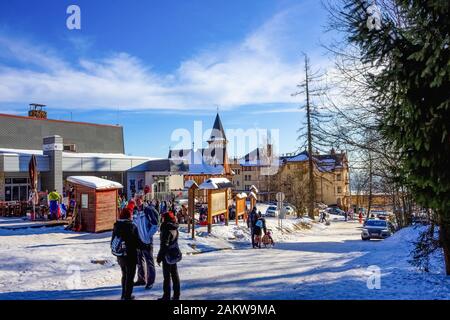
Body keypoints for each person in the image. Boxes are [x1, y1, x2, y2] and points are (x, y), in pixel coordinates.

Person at [111, 207, 139, 300]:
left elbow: (113, 240)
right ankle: (128, 296)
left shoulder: (116, 225)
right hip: (131, 255)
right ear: (129, 215)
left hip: (120, 255)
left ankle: (123, 294)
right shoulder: (132, 226)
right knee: (130, 277)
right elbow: (137, 242)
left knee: (124, 275)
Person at [133, 197, 159, 290]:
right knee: (139, 260)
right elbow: (135, 224)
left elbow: (155, 225)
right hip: (139, 241)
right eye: (136, 200)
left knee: (149, 261)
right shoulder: (136, 211)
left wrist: (148, 236)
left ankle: (150, 281)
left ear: (142, 200)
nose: (137, 202)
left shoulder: (148, 210)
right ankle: (141, 279)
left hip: (147, 241)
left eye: (139, 200)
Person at [157, 210, 181, 300]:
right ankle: (176, 295)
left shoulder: (166, 229)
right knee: (175, 275)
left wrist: (159, 257)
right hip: (174, 253)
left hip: (167, 255)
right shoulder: (174, 228)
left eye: (163, 218)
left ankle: (166, 296)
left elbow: (164, 246)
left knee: (167, 277)